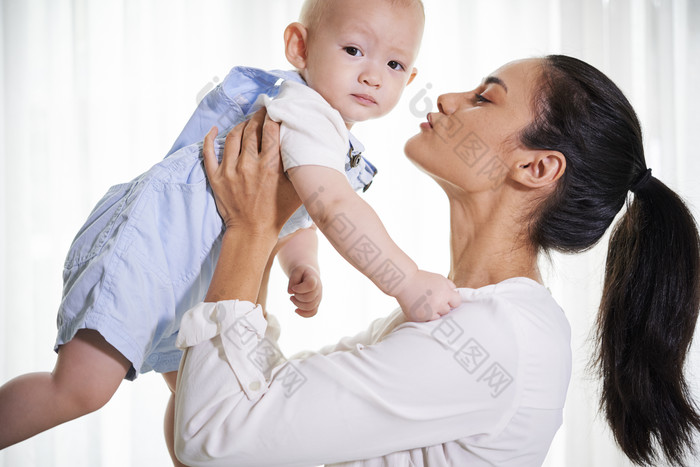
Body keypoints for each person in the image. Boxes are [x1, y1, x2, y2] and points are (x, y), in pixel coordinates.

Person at [172, 55, 700, 466]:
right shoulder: (455, 320)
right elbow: (240, 416)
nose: (446, 99)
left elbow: (212, 433)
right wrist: (258, 227)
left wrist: (251, 230)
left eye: (483, 98)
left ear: (536, 167)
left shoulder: (492, 340)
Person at [0, 0, 463, 465]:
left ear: (411, 78)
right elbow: (333, 205)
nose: (373, 75)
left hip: (198, 273)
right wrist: (406, 280)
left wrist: (303, 263)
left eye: (394, 63)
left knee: (202, 397)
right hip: (152, 250)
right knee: (81, 389)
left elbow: (292, 210)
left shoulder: (322, 129)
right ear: (299, 47)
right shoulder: (306, 111)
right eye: (353, 49)